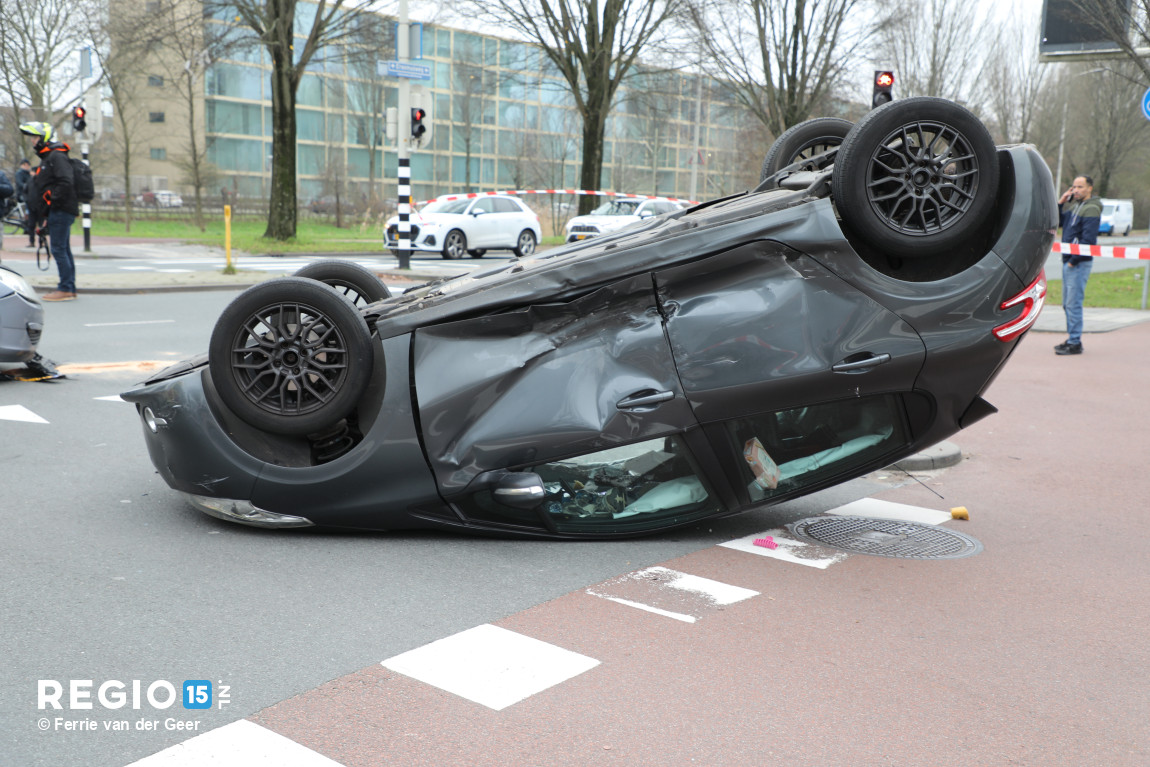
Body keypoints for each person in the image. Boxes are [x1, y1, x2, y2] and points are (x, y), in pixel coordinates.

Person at [20, 122, 79, 301]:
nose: (32, 141)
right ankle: (69, 287)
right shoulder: (49, 158)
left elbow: (66, 182)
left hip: (61, 209)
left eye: (35, 137)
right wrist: (46, 214)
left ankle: (66, 288)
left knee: (59, 249)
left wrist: (52, 200)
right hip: (57, 210)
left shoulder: (56, 156)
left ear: (44, 137)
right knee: (64, 249)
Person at [1055, 175, 1101, 356]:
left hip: (1078, 263)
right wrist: (1061, 202)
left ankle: (1075, 342)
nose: (1076, 190)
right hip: (1068, 260)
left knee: (1073, 304)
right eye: (1074, 187)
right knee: (1067, 304)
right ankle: (1072, 339)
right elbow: (1059, 222)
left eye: (1080, 187)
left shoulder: (1091, 209)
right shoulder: (1075, 206)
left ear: (1090, 188)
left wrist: (1074, 261)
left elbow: (1088, 240)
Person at [15, 159, 34, 247]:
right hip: (23, 195)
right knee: (28, 214)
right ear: (25, 164)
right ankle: (26, 224)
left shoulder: (28, 173)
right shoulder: (19, 173)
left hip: (30, 195)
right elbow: (20, 184)